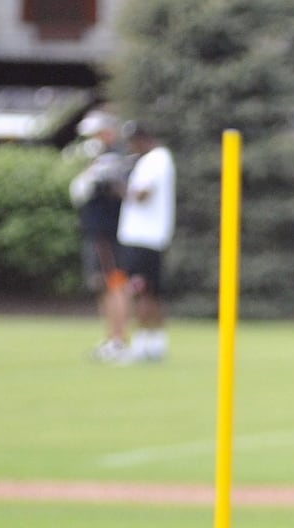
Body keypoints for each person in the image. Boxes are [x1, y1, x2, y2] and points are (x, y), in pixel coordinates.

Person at [98, 119, 175, 365]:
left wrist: (118, 188)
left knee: (133, 290)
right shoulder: (160, 159)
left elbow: (142, 194)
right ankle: (152, 343)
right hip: (152, 237)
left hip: (141, 238)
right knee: (150, 293)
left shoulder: (154, 160)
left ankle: (134, 344)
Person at [68, 108, 134, 361]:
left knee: (115, 284)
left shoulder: (113, 160)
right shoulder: (102, 159)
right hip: (97, 233)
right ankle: (112, 338)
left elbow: (85, 189)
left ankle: (119, 341)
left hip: (107, 233)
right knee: (104, 285)